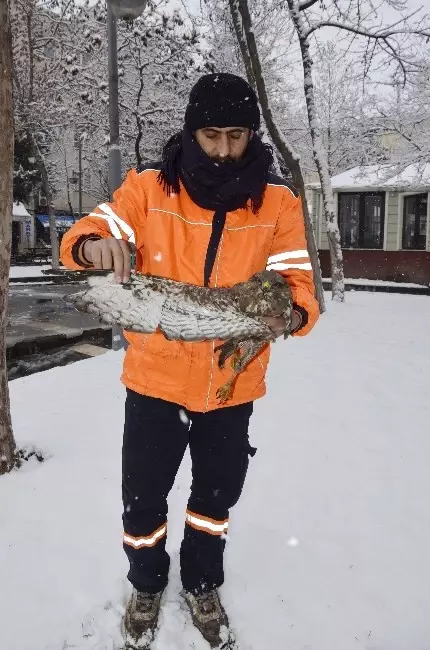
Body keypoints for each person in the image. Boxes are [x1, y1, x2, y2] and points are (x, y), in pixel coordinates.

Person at [60, 73, 319, 648]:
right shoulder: (150, 189)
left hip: (232, 388)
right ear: (191, 132)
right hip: (155, 382)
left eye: (236, 135)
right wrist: (92, 244)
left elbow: (300, 285)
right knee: (143, 496)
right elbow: (89, 232)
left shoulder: (278, 203)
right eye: (211, 135)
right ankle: (147, 583)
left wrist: (293, 315)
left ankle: (203, 581)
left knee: (214, 500)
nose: (224, 149)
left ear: (252, 135)